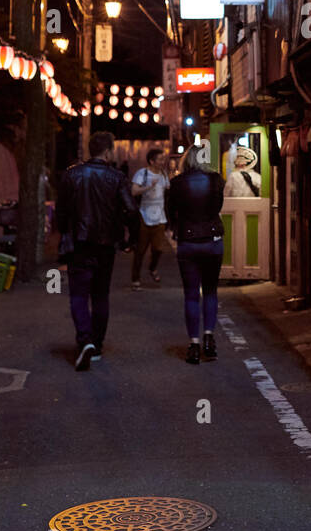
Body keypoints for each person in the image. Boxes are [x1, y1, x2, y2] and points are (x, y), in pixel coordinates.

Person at [55, 130, 139, 371]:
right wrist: (129, 240)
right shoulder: (116, 177)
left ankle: (84, 340)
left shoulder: (72, 175)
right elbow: (131, 211)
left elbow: (62, 211)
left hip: (79, 244)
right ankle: (97, 345)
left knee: (79, 295)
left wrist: (66, 232)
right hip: (106, 245)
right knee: (100, 295)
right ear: (109, 151)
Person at [166, 145, 225, 364]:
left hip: (188, 242)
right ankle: (209, 337)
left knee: (191, 294)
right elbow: (217, 207)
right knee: (210, 291)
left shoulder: (177, 183)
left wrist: (176, 228)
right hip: (213, 241)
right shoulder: (216, 180)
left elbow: (171, 212)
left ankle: (194, 344)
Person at [130, 147, 169, 288]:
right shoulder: (142, 173)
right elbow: (134, 191)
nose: (162, 162)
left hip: (160, 217)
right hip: (144, 215)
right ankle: (135, 279)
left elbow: (167, 189)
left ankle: (152, 268)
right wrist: (148, 187)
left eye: (163, 159)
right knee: (140, 250)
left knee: (158, 249)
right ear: (151, 161)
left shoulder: (164, 174)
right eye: (160, 159)